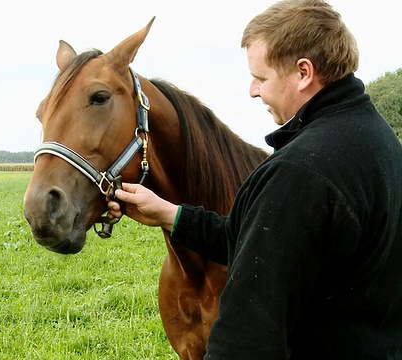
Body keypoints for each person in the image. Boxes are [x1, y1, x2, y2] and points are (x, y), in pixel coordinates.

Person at [107, 0, 402, 358]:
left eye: (261, 77)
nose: (252, 90)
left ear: (304, 72)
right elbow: (263, 240)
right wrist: (170, 214)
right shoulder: (378, 140)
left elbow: (247, 338)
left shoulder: (302, 172)